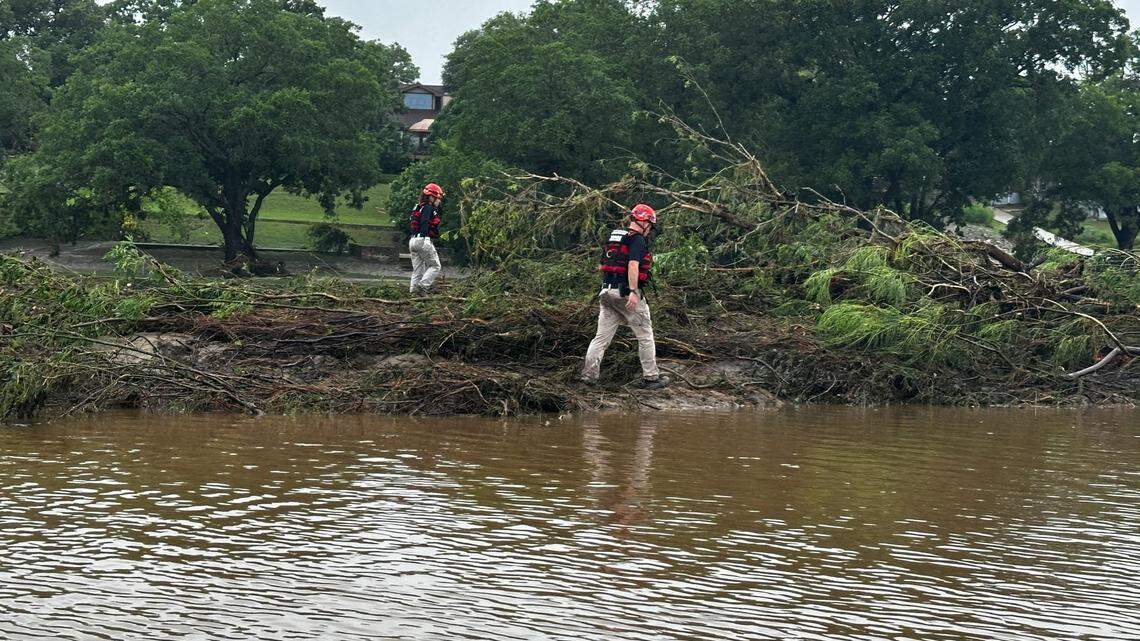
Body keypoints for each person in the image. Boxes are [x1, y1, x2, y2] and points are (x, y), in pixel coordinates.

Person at [580, 204, 669, 389]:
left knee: (600, 339)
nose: (650, 230)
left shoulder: (614, 238)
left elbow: (601, 266)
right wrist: (633, 292)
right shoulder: (637, 241)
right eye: (650, 226)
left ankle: (588, 379)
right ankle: (651, 378)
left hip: (606, 293)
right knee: (645, 335)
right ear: (643, 222)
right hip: (624, 294)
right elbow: (633, 266)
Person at [409, 182, 444, 294]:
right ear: (431, 197)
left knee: (417, 271)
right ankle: (422, 287)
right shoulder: (428, 208)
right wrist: (425, 240)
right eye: (438, 198)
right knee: (435, 266)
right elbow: (424, 222)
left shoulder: (418, 207)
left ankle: (413, 293)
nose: (439, 201)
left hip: (413, 240)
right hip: (423, 240)